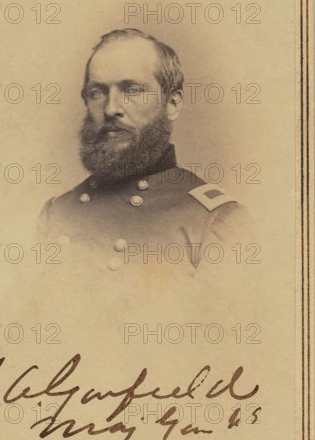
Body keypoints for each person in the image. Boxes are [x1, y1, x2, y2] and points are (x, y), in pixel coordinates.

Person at [37, 29, 251, 277]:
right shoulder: (57, 213)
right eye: (98, 92)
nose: (111, 108)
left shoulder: (215, 220)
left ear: (172, 104)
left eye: (132, 90)